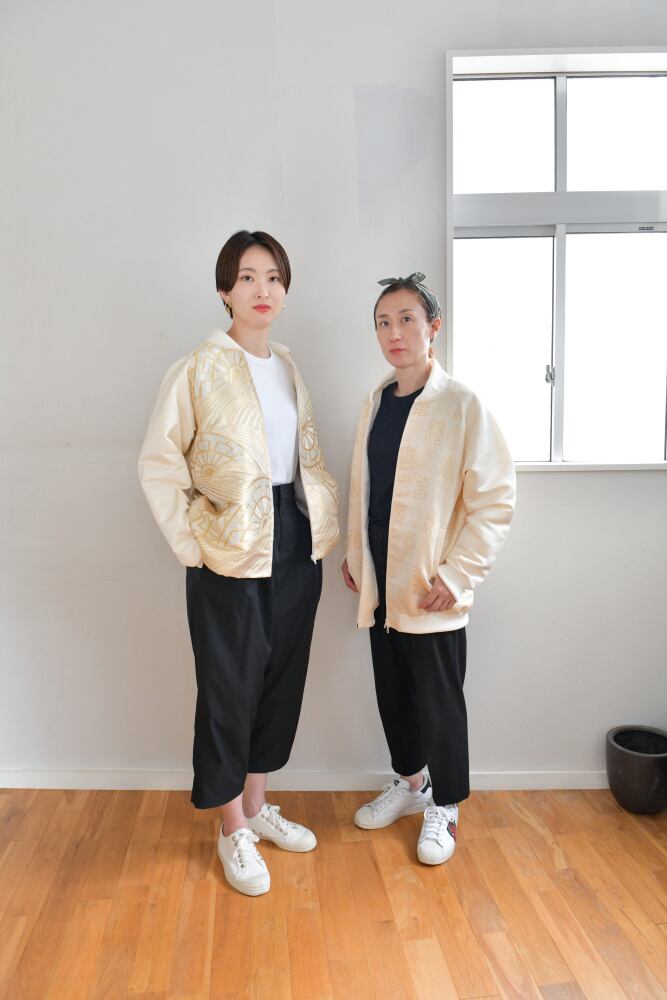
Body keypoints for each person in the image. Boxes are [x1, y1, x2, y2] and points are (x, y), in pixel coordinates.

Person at [139, 230, 339, 895]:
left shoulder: (287, 365)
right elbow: (159, 463)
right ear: (225, 289)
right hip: (227, 546)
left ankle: (255, 805)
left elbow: (299, 455)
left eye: (274, 277)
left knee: (280, 677)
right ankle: (231, 829)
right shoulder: (197, 367)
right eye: (248, 277)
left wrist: (316, 527)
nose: (263, 290)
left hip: (293, 537)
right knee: (228, 685)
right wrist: (190, 545)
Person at [342, 272, 515, 865]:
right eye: (383, 323)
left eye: (407, 319)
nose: (394, 333)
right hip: (382, 580)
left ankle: (447, 805)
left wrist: (457, 575)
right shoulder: (375, 402)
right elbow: (365, 488)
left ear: (433, 327)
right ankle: (413, 786)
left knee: (440, 702)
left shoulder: (460, 404)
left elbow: (495, 500)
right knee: (392, 693)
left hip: (431, 585)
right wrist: (356, 556)